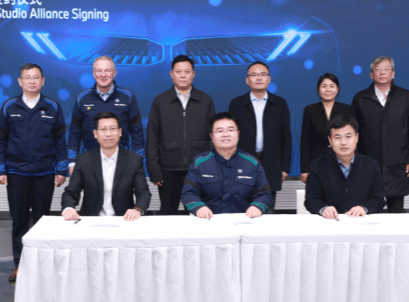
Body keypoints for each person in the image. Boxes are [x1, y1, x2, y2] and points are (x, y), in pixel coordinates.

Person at [0, 63, 68, 282]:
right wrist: (0, 169)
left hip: (44, 173)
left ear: (43, 81)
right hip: (16, 173)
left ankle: (42, 266)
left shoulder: (53, 107)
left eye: (36, 77)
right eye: (27, 77)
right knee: (19, 221)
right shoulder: (9, 107)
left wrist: (61, 168)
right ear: (20, 81)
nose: (32, 81)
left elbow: (60, 140)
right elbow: (0, 139)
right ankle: (21, 265)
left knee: (42, 222)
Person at [351, 56, 409, 213]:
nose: (382, 73)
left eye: (386, 69)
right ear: (371, 74)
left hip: (398, 162)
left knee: (396, 213)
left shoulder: (406, 97)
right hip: (368, 162)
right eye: (377, 70)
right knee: (367, 212)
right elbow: (353, 132)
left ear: (393, 73)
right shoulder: (360, 98)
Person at [146, 55, 216, 215]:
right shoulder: (160, 101)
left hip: (198, 169)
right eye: (178, 72)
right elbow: (152, 138)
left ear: (193, 74)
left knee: (197, 214)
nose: (183, 75)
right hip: (168, 170)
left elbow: (213, 136)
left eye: (187, 72)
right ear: (172, 74)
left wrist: (211, 167)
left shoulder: (205, 100)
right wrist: (154, 171)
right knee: (167, 214)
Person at [61, 111, 150, 221]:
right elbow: (71, 192)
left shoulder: (134, 160)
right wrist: (69, 208)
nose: (108, 134)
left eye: (112, 129)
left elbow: (143, 192)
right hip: (91, 220)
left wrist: (137, 209)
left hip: (124, 220)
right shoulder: (83, 160)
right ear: (95, 133)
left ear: (120, 132)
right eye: (103, 129)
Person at [228, 61, 291, 211]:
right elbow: (230, 137)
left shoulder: (280, 104)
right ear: (247, 80)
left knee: (268, 207)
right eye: (254, 75)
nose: (259, 78)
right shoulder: (236, 104)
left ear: (269, 79)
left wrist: (285, 168)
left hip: (271, 163)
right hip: (243, 162)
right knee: (242, 209)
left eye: (263, 74)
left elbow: (286, 138)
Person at [182, 112, 272, 218]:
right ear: (211, 136)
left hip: (243, 221)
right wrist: (199, 207)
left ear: (238, 134)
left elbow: (264, 193)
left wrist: (257, 207)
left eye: (230, 130)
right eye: (219, 131)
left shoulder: (252, 163)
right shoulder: (200, 162)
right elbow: (188, 192)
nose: (225, 134)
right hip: (209, 221)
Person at [68, 56, 144, 175]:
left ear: (114, 73)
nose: (103, 75)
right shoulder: (82, 98)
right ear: (94, 74)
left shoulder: (128, 97)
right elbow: (74, 133)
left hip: (121, 163)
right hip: (89, 163)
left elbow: (137, 132)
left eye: (107, 70)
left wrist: (138, 161)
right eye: (99, 71)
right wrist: (72, 162)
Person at [304, 114, 384, 218]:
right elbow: (311, 199)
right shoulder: (317, 166)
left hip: (360, 222)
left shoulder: (371, 165)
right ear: (330, 140)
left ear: (356, 138)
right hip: (331, 222)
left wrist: (364, 208)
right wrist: (323, 208)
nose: (343, 142)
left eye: (348, 137)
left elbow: (378, 199)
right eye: (338, 138)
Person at [300, 73, 354, 184]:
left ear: (337, 89)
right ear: (318, 90)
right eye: (324, 86)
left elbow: (352, 138)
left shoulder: (347, 109)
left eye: (331, 86)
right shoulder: (310, 110)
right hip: (317, 162)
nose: (328, 90)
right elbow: (305, 141)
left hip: (342, 162)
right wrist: (305, 169)